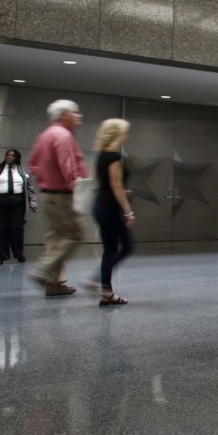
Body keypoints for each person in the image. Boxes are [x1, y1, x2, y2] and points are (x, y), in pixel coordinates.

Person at [27, 100, 87, 297]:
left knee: (54, 238)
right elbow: (68, 167)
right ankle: (43, 269)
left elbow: (32, 164)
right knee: (74, 234)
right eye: (75, 113)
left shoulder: (45, 134)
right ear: (64, 115)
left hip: (46, 193)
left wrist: (45, 179)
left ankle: (54, 284)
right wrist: (78, 191)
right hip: (61, 195)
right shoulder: (63, 135)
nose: (79, 116)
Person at [90, 119, 134, 306]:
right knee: (127, 246)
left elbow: (108, 185)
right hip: (110, 208)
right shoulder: (114, 157)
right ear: (117, 134)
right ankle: (96, 278)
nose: (127, 136)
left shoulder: (101, 155)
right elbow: (116, 185)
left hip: (99, 205)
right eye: (125, 132)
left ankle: (106, 293)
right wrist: (128, 211)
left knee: (109, 249)